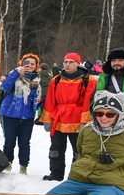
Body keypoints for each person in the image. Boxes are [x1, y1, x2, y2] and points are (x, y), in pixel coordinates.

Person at [39, 52, 94, 181]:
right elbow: (50, 100)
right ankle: (56, 174)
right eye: (65, 62)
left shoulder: (88, 80)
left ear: (78, 63)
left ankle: (77, 176)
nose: (67, 64)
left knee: (78, 150)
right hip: (59, 118)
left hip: (77, 118)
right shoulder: (56, 80)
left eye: (71, 62)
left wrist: (85, 121)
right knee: (56, 149)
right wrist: (47, 119)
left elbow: (88, 101)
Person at [0, 53, 41, 174]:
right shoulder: (14, 75)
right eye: (27, 63)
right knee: (9, 141)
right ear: (22, 63)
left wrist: (38, 101)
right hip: (10, 113)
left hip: (27, 115)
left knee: (25, 143)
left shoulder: (37, 80)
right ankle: (7, 164)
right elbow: (4, 87)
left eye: (33, 64)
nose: (30, 65)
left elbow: (37, 96)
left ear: (36, 66)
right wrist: (17, 72)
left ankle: (23, 166)